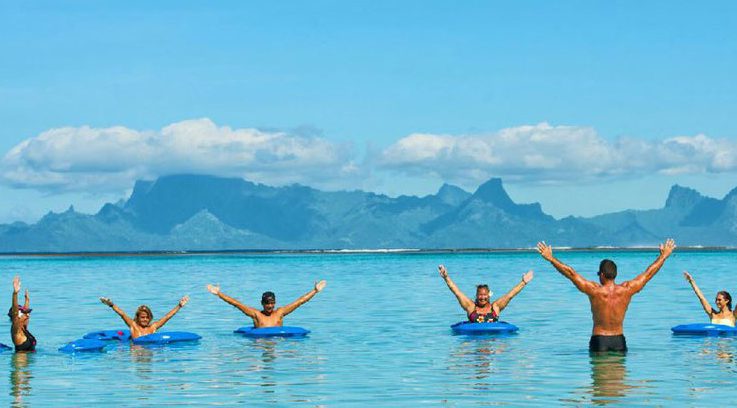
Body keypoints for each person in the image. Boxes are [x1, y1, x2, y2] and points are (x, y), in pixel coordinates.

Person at [536, 239, 676, 352]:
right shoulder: (627, 290)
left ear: (602, 275)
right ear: (615, 275)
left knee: (599, 385)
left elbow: (571, 273)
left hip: (599, 340)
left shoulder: (595, 291)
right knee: (618, 385)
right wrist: (663, 256)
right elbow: (648, 274)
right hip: (619, 341)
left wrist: (551, 259)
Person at [206, 281, 327, 328]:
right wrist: (218, 294)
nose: (270, 306)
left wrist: (315, 291)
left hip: (277, 342)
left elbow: (300, 301)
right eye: (267, 303)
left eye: (272, 303)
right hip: (260, 343)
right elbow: (236, 303)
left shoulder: (280, 313)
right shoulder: (256, 314)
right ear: (262, 303)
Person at [438, 265, 533, 323]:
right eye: (480, 295)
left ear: (489, 295)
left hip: (493, 342)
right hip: (474, 341)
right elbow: (457, 292)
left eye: (484, 295)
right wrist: (446, 277)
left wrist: (523, 282)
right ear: (476, 296)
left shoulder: (495, 307)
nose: (482, 297)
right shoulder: (470, 307)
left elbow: (510, 295)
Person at [99, 295, 190, 339]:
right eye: (142, 317)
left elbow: (167, 317)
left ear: (150, 317)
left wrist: (179, 306)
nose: (145, 319)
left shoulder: (153, 327)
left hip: (150, 350)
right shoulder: (133, 325)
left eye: (147, 317)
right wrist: (111, 305)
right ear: (138, 317)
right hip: (135, 351)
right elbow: (122, 314)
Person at [9, 276, 35, 352]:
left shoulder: (24, 327)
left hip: (28, 362)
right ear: (18, 317)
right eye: (25, 314)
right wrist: (15, 294)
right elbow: (15, 313)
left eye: (28, 313)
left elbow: (25, 312)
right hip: (19, 363)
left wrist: (27, 300)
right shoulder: (16, 331)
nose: (28, 315)